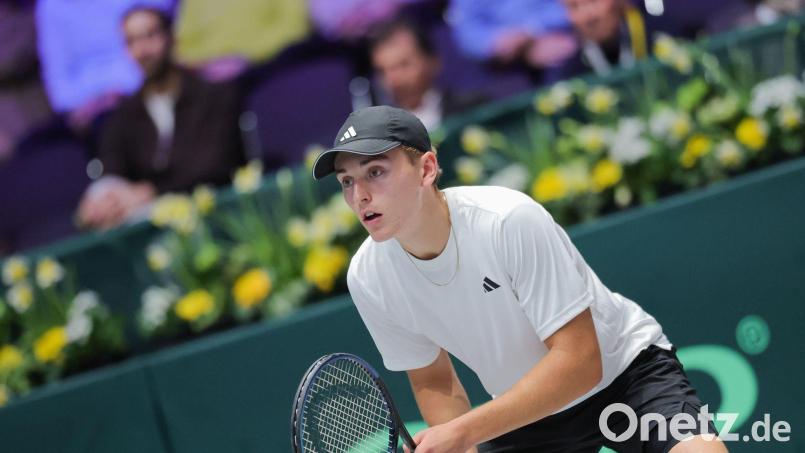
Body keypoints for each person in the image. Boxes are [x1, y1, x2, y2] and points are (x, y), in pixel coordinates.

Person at [311, 105, 727, 452]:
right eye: (347, 182)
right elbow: (433, 379)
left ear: (427, 169)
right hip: (526, 416)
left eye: (375, 172)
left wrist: (465, 430)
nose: (359, 196)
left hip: (625, 376)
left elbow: (581, 361)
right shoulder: (368, 277)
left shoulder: (507, 220)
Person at [77, 5, 244, 230]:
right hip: (154, 231)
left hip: (216, 217)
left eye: (150, 36)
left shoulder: (214, 96)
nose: (142, 50)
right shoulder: (124, 116)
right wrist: (100, 204)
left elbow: (216, 167)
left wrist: (152, 192)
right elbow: (111, 169)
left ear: (172, 37)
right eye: (131, 41)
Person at [368, 18, 487, 131]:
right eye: (382, 71)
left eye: (403, 65)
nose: (393, 79)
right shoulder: (378, 136)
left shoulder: (472, 111)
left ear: (432, 61)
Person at [558, 0, 699, 77]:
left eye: (594, 1)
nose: (588, 16)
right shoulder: (572, 72)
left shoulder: (666, 33)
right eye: (573, 6)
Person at [446, 0, 579, 71]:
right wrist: (498, 41)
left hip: (566, 37)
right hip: (510, 63)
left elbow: (578, 5)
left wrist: (531, 31)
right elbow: (467, 32)